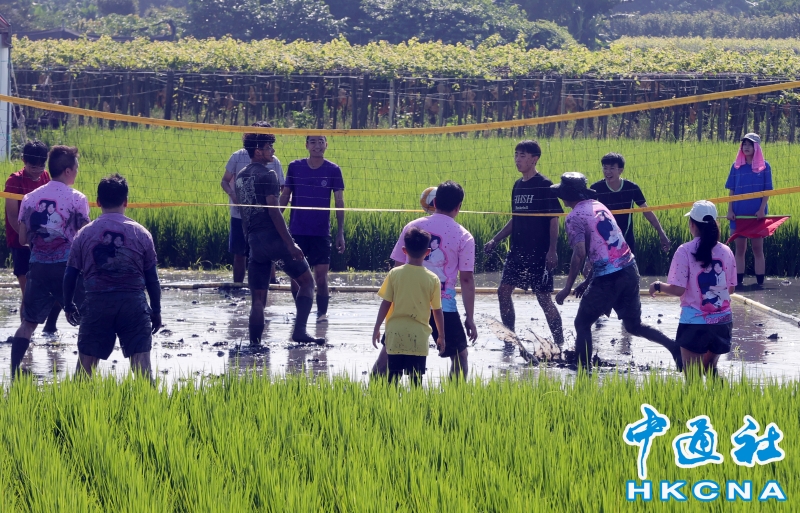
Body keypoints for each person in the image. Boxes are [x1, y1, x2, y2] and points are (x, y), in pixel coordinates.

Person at [551, 172, 681, 370]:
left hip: (609, 278)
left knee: (582, 324)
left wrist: (567, 287)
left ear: (566, 196)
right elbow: (604, 249)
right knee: (633, 326)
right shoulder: (598, 206)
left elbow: (579, 254)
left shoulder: (574, 217)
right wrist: (587, 282)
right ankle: (673, 347)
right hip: (629, 269)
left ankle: (583, 371)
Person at [372, 181, 478, 378]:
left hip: (406, 303)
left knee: (388, 353)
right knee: (459, 356)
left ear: (434, 202)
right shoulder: (464, 237)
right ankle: (455, 395)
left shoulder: (413, 227)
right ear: (458, 207)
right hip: (443, 306)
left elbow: (397, 268)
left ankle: (373, 392)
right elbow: (466, 280)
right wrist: (469, 318)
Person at [63, 174, 162, 380]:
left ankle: (78, 400)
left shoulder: (84, 234)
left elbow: (70, 274)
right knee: (143, 368)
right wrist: (156, 310)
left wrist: (68, 304)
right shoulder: (141, 233)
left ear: (98, 202)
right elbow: (152, 279)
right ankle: (149, 397)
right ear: (126, 201)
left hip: (96, 304)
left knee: (85, 369)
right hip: (133, 305)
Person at [8, 146, 90, 377]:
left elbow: (22, 239)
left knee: (28, 323)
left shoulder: (29, 198)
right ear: (68, 171)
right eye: (76, 168)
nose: (77, 172)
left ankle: (13, 374)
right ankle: (82, 377)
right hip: (68, 269)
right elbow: (85, 238)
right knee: (88, 319)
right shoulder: (77, 198)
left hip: (38, 268)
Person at [236, 132, 324, 345]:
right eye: (269, 147)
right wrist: (290, 244)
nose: (273, 151)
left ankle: (254, 344)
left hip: (254, 241)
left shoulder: (240, 177)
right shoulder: (269, 175)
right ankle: (300, 331)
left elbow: (244, 213)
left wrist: (250, 243)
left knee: (258, 299)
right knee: (307, 282)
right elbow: (274, 212)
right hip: (273, 238)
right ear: (258, 151)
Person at [483, 140, 564, 346]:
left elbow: (554, 219)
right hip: (517, 251)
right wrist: (495, 239)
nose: (517, 159)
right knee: (503, 292)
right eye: (516, 155)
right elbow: (515, 219)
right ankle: (511, 340)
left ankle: (560, 343)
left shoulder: (544, 185)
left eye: (523, 156)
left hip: (539, 252)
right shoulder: (517, 185)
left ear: (534, 159)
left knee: (544, 298)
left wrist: (552, 250)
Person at [649, 201, 736, 377]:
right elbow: (731, 289)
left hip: (694, 324)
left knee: (692, 378)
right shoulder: (726, 251)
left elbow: (678, 290)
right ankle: (727, 395)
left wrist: (658, 285)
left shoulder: (684, 251)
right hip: (722, 323)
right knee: (711, 370)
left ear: (692, 224)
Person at [280, 135, 345, 322]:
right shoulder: (295, 167)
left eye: (321, 142)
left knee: (321, 277)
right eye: (313, 142)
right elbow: (285, 195)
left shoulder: (333, 169)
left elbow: (339, 202)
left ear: (326, 145)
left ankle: (321, 314)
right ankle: (301, 315)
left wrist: (340, 232)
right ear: (306, 145)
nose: (317, 146)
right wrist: (274, 219)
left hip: (321, 233)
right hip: (297, 232)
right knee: (296, 276)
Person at [372, 227, 445, 385]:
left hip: (395, 334)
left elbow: (386, 303)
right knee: (416, 382)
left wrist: (377, 327)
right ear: (427, 252)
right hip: (418, 336)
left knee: (392, 379)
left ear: (404, 250)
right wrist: (441, 336)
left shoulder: (394, 274)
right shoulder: (433, 279)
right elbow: (437, 311)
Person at [3, 140, 61, 333]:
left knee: (57, 287)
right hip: (21, 243)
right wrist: (27, 240)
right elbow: (12, 216)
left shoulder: (46, 176)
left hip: (44, 242)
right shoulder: (14, 181)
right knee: (28, 293)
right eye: (32, 167)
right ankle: (24, 337)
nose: (37, 171)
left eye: (41, 166)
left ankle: (50, 329)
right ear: (23, 161)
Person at [221, 121, 284, 284]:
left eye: (268, 137)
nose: (267, 141)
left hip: (264, 218)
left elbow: (282, 187)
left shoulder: (274, 161)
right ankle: (238, 286)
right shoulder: (237, 156)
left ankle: (271, 283)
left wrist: (278, 207)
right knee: (240, 253)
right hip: (240, 215)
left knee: (268, 252)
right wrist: (234, 196)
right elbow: (225, 181)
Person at [590, 153, 671, 256]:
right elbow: (587, 214)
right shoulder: (596, 188)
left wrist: (661, 233)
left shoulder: (631, 187)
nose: (607, 172)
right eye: (605, 168)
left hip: (626, 240)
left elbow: (646, 211)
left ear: (620, 170)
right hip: (603, 241)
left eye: (612, 168)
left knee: (629, 266)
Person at [725, 133, 773, 287]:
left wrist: (762, 210)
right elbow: (732, 190)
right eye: (744, 144)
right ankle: (738, 283)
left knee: (758, 249)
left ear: (756, 147)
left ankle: (759, 284)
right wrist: (730, 210)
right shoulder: (736, 166)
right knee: (739, 249)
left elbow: (767, 191)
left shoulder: (765, 167)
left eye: (750, 144)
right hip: (738, 215)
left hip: (756, 216)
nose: (746, 147)